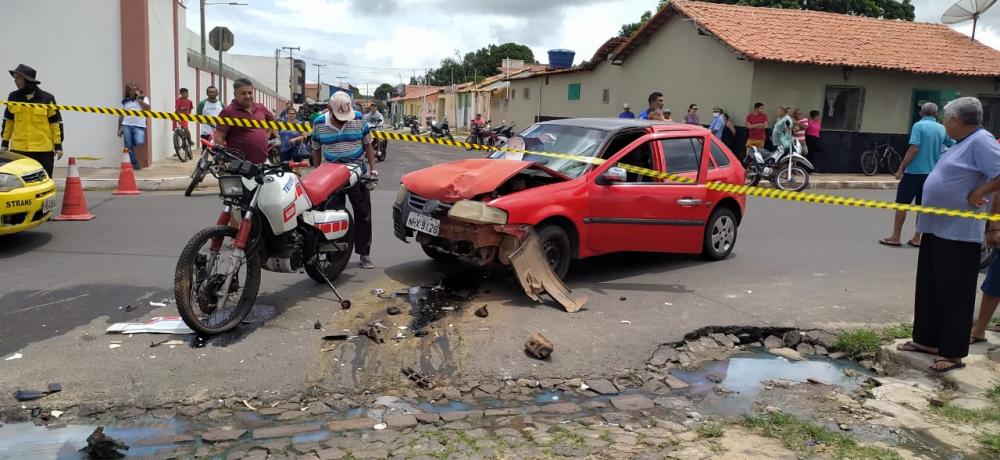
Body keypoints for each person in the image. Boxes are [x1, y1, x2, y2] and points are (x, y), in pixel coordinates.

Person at [898, 97, 1000, 372]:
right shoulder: (962, 143)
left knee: (955, 292)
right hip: (936, 228)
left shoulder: (981, 141)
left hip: (959, 233)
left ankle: (953, 352)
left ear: (956, 120)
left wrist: (981, 197)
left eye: (946, 119)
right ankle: (926, 340)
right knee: (930, 285)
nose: (945, 124)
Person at [311, 91, 378, 270]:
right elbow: (316, 148)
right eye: (339, 117)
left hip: (357, 172)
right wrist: (317, 173)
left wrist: (373, 170)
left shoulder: (358, 118)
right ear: (329, 110)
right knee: (332, 214)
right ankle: (335, 254)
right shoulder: (318, 123)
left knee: (363, 213)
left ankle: (364, 253)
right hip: (332, 176)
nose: (343, 120)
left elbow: (368, 145)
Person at [879, 103, 953, 248]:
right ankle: (917, 238)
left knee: (902, 204)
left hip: (914, 172)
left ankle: (896, 236)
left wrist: (901, 168)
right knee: (922, 206)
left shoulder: (918, 126)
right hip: (931, 174)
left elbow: (914, 148)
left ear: (921, 113)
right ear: (936, 114)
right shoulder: (941, 128)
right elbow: (951, 143)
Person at [1, 64, 63, 178]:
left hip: (43, 150)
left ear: (28, 80)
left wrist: (58, 145)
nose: (15, 81)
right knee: (19, 182)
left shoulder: (47, 98)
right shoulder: (13, 97)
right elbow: (8, 121)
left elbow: (55, 123)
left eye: (18, 78)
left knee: (44, 181)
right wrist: (4, 142)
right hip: (19, 150)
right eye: (15, 78)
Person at [216, 78, 276, 164]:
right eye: (243, 93)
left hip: (262, 162)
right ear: (235, 94)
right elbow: (219, 138)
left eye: (250, 93)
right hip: (238, 164)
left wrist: (267, 135)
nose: (248, 96)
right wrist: (220, 162)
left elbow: (272, 121)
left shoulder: (261, 108)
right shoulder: (228, 112)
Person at [118, 83, 151, 170]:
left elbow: (148, 108)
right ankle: (135, 163)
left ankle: (130, 143)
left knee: (139, 142)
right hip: (126, 124)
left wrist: (139, 99)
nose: (134, 91)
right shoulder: (125, 101)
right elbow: (121, 115)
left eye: (136, 89)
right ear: (128, 91)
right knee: (128, 145)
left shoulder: (144, 98)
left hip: (139, 125)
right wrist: (119, 128)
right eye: (132, 89)